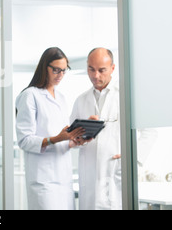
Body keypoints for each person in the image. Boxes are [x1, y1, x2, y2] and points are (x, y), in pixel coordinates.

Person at [15, 47, 85, 210]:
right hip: (43, 180)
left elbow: (61, 137)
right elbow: (24, 140)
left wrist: (72, 141)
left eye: (64, 70)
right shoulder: (30, 95)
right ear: (44, 67)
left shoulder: (61, 98)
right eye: (56, 70)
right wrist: (57, 138)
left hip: (63, 177)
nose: (60, 75)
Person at [70, 48, 121, 210]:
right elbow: (72, 138)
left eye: (101, 70)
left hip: (116, 170)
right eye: (91, 69)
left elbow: (148, 132)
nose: (95, 75)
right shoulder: (81, 100)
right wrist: (79, 138)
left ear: (112, 68)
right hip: (90, 174)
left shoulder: (124, 95)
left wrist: (132, 156)